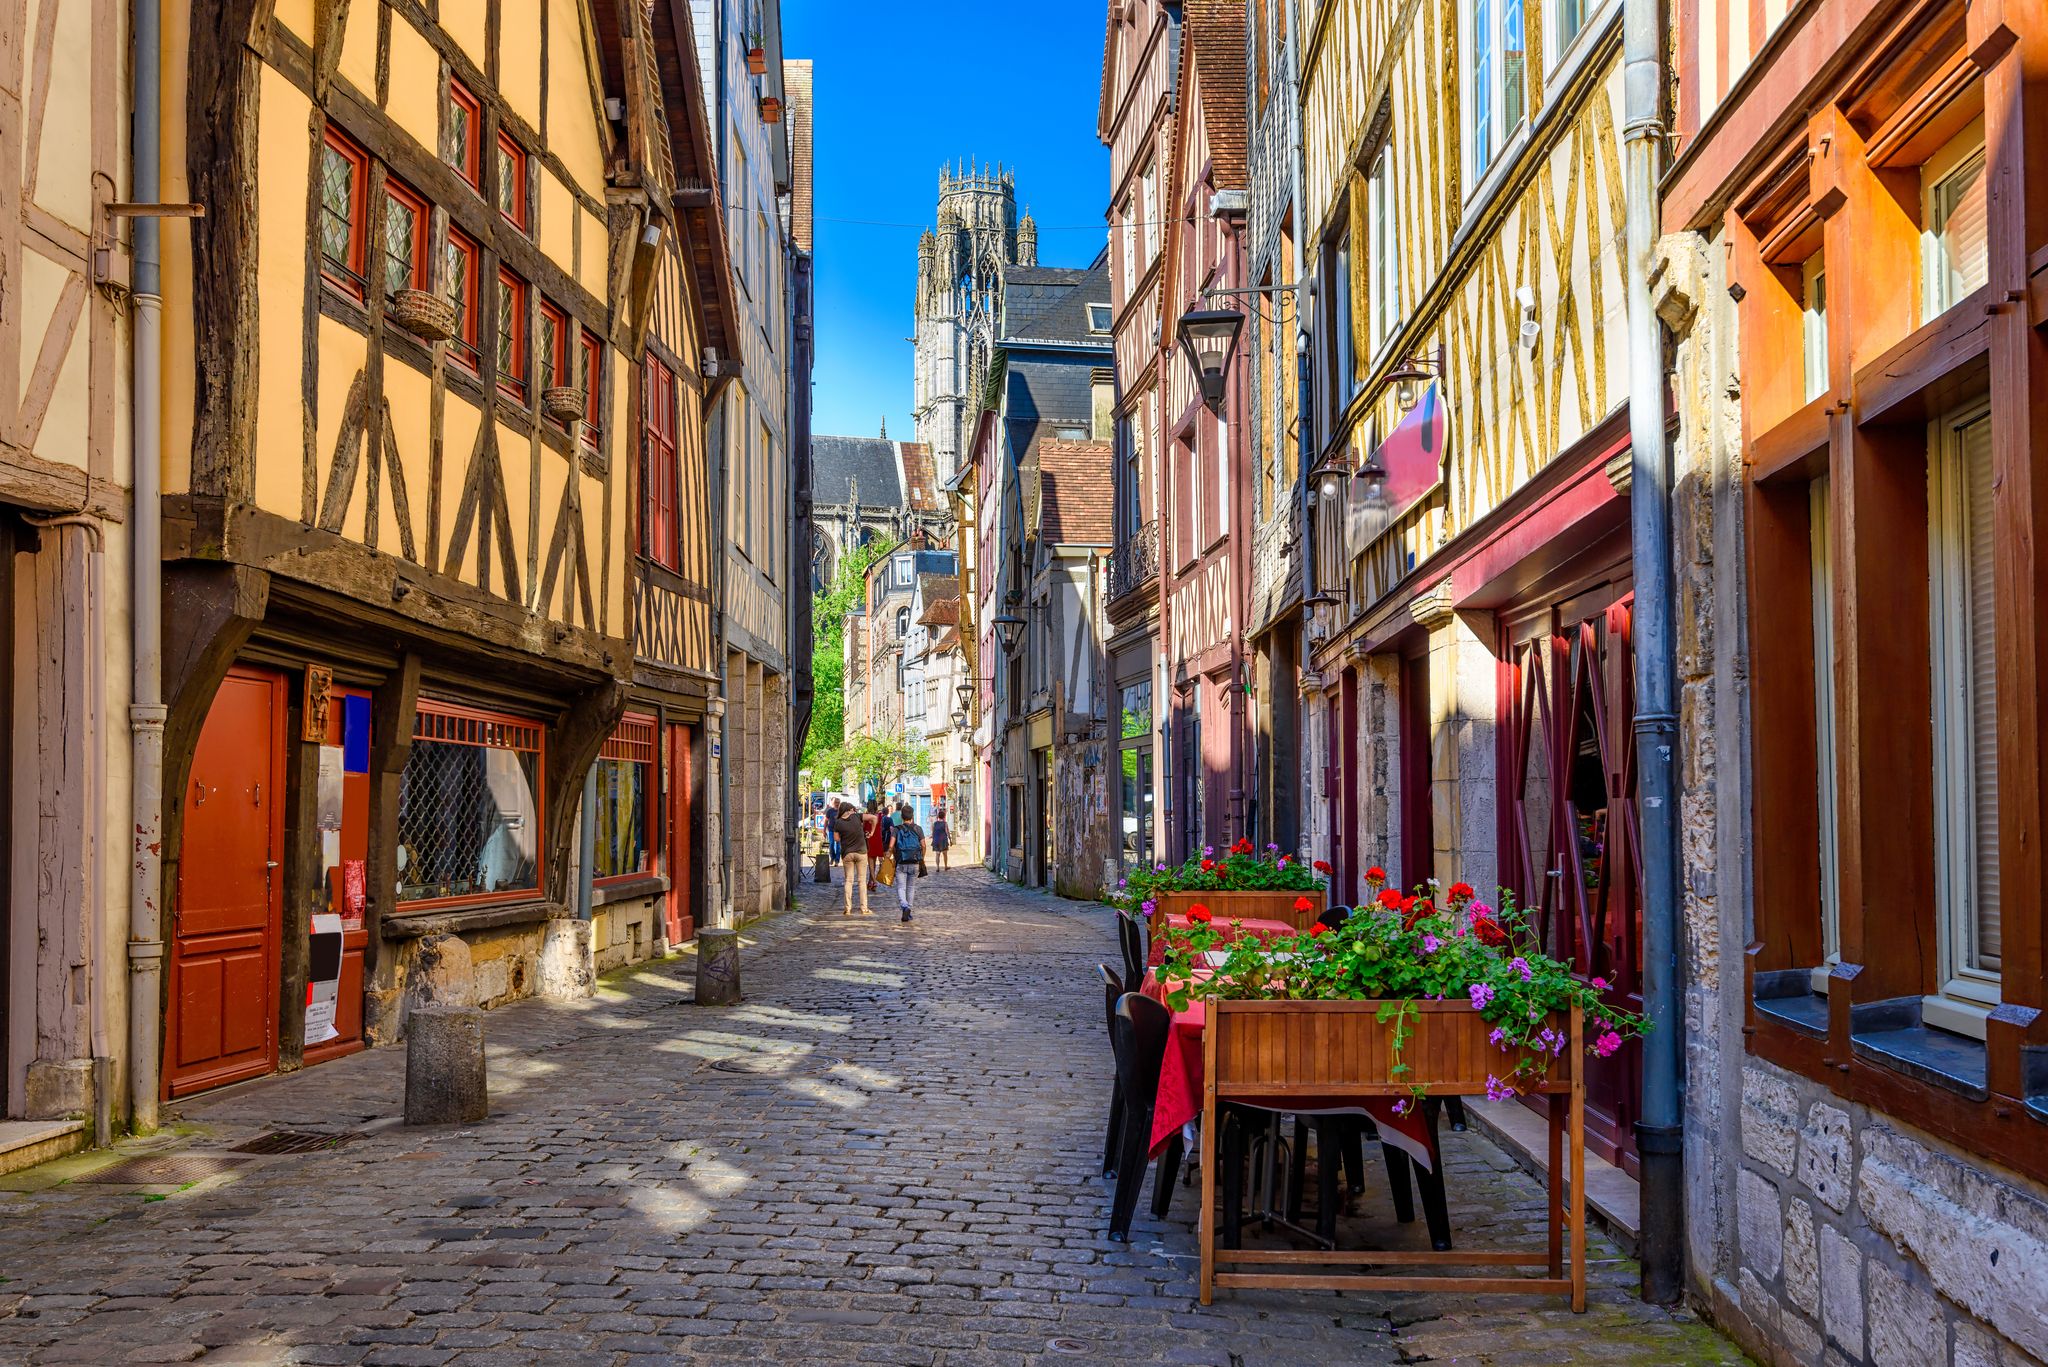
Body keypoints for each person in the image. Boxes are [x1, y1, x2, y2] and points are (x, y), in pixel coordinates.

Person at [830, 801, 870, 916]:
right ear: (849, 810)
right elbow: (873, 818)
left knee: (849, 881)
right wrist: (870, 832)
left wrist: (845, 836)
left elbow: (836, 839)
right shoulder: (857, 817)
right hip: (861, 852)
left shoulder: (838, 822)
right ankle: (864, 908)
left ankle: (848, 908)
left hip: (847, 853)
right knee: (862, 881)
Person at [891, 803, 926, 923]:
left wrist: (894, 856)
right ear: (912, 816)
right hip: (915, 861)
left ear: (901, 816)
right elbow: (923, 845)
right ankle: (909, 910)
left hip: (901, 861)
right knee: (911, 887)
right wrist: (921, 858)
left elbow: (891, 845)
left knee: (901, 887)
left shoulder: (896, 829)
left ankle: (904, 906)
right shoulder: (918, 829)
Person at [863, 798, 890, 893]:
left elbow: (863, 827)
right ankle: (870, 882)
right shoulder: (879, 815)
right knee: (873, 862)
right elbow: (881, 827)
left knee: (870, 862)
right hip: (877, 839)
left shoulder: (866, 816)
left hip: (869, 839)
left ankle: (874, 881)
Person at [930, 807, 951, 871]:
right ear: (944, 816)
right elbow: (947, 832)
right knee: (945, 854)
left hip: (936, 840)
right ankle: (945, 866)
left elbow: (933, 832)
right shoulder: (945, 823)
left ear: (938, 816)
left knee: (937, 854)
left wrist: (933, 840)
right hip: (943, 840)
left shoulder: (935, 823)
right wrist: (950, 840)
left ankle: (937, 867)